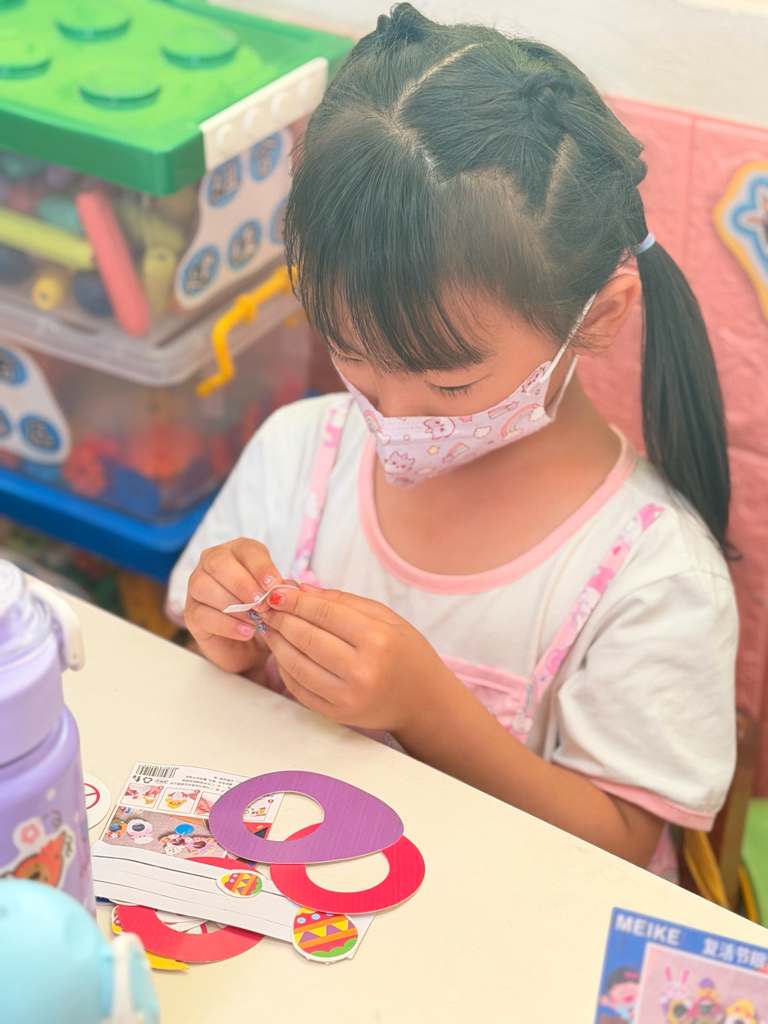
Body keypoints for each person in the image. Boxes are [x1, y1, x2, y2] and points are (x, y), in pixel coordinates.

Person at [167, 3, 737, 876]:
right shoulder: (298, 453)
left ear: (599, 317)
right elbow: (204, 691)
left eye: (450, 385)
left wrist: (426, 710)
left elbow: (624, 845)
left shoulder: (654, 577)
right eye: (351, 354)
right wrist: (224, 643)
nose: (392, 415)